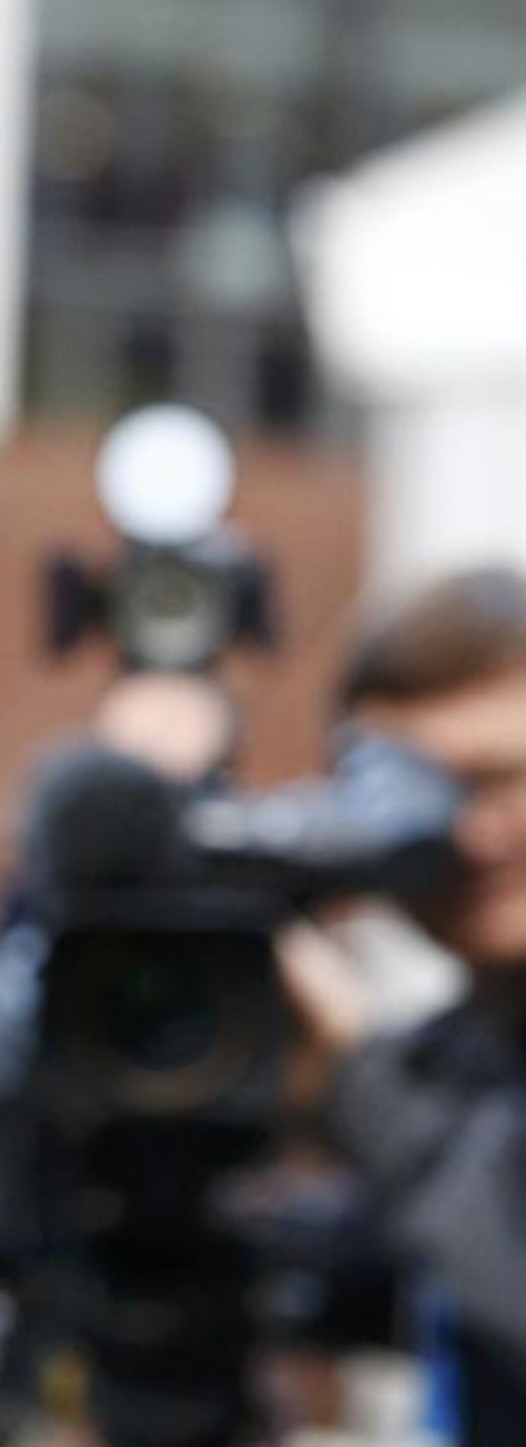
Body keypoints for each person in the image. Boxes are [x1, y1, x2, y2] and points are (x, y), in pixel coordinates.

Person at [278, 564, 526, 1446]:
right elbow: (379, 1267)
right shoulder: (462, 1056)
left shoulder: (401, 1086)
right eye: (422, 798)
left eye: (501, 780)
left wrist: (357, 1075)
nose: (469, 835)